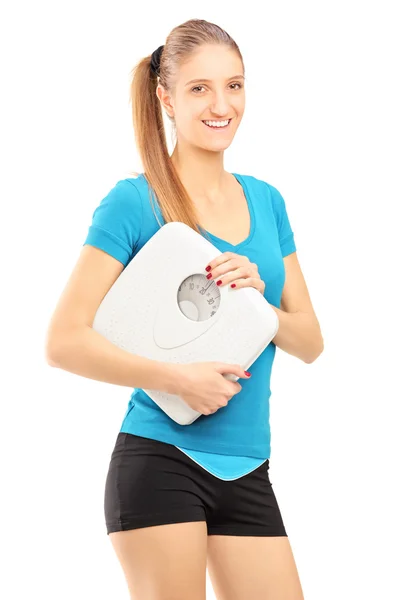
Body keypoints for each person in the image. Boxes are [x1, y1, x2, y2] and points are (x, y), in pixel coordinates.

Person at [46, 17, 323, 600]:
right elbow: (64, 340)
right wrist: (177, 380)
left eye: (235, 85)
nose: (222, 104)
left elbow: (310, 342)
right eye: (200, 88)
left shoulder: (267, 201)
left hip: (249, 467)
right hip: (160, 460)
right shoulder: (135, 200)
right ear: (165, 97)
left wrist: (261, 301)